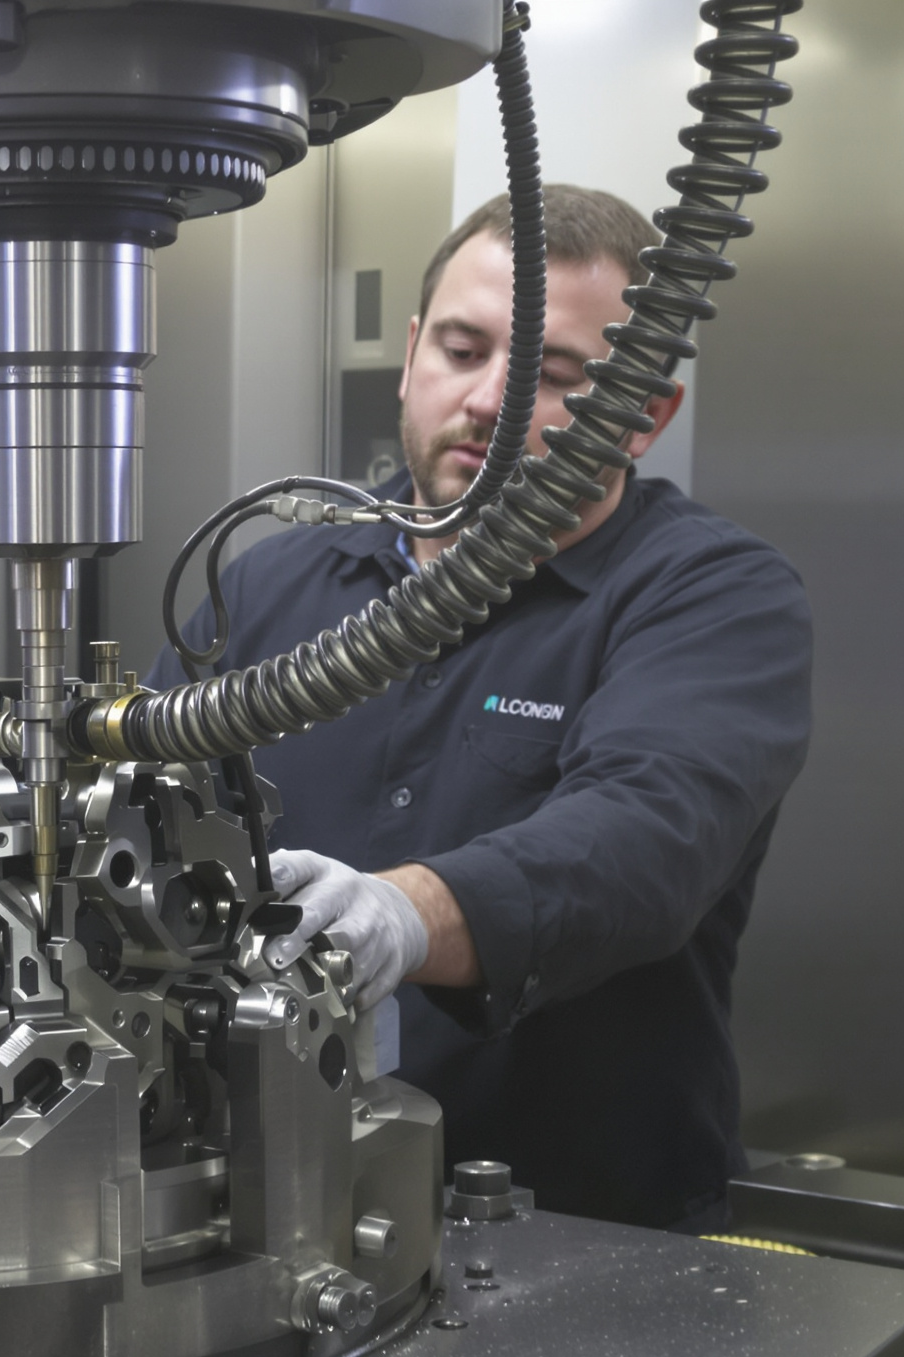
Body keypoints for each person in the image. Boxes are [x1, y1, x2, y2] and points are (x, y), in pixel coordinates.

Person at [147, 186, 812, 1232]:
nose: (489, 402)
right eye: (463, 351)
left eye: (557, 378)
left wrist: (403, 914)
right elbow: (141, 809)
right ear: (412, 355)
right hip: (260, 1219)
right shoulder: (274, 582)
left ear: (647, 412)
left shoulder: (711, 594)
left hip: (582, 1239)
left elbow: (646, 837)